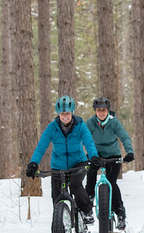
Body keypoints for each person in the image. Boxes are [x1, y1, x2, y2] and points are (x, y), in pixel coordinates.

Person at [26, 95, 99, 223]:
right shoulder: (52, 128)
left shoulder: (80, 125)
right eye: (62, 114)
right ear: (58, 114)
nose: (65, 116)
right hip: (58, 165)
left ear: (72, 112)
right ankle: (60, 223)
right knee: (56, 196)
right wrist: (33, 163)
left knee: (75, 185)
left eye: (67, 113)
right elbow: (41, 147)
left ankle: (87, 210)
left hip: (78, 162)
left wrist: (94, 157)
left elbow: (89, 143)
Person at [84, 96, 134, 230]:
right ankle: (87, 210)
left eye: (104, 110)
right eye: (99, 110)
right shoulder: (90, 123)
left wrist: (129, 152)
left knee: (112, 183)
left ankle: (120, 213)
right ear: (95, 111)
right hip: (96, 154)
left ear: (108, 110)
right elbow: (82, 138)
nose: (101, 113)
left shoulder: (114, 122)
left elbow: (124, 136)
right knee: (90, 179)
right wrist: (82, 155)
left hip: (113, 155)